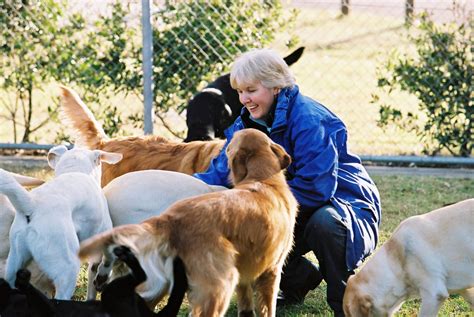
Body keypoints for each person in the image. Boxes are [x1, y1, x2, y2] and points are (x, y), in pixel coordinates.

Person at [193, 48, 381, 316]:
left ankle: (345, 300)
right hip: (286, 205)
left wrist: (261, 207)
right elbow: (220, 174)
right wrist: (189, 190)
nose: (244, 99)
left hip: (341, 202)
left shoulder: (309, 119)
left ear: (275, 85)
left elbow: (317, 188)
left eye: (251, 90)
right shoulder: (245, 124)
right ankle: (298, 279)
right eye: (239, 92)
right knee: (246, 222)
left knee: (324, 224)